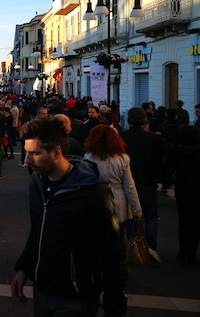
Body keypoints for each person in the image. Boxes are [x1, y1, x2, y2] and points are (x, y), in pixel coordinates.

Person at [11, 118, 127, 317]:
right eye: (27, 153)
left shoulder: (92, 191)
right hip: (43, 289)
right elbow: (38, 229)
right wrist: (24, 267)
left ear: (56, 152)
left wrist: (114, 307)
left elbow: (112, 251)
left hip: (75, 296)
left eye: (35, 153)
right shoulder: (37, 182)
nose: (27, 160)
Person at [120, 107, 166, 264]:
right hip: (149, 181)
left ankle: (133, 244)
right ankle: (150, 246)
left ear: (129, 121)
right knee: (151, 214)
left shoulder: (122, 138)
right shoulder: (155, 139)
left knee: (131, 214)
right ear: (145, 121)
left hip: (129, 180)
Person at [161, 126, 200, 264]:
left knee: (183, 218)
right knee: (197, 220)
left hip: (182, 189)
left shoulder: (177, 152)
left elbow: (167, 169)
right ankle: (192, 251)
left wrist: (168, 182)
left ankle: (182, 249)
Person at [83, 125, 142, 236]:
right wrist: (136, 209)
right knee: (118, 236)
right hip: (119, 201)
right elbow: (129, 186)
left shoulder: (88, 157)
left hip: (97, 200)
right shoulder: (123, 158)